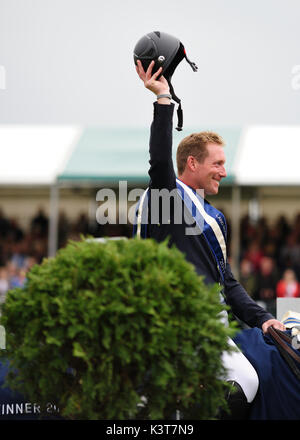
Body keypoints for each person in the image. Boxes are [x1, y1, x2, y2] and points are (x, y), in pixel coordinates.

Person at [135, 60, 285, 419]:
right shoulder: (167, 198)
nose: (224, 170)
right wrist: (163, 99)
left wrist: (261, 318)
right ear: (192, 163)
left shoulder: (211, 214)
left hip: (211, 326)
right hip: (173, 324)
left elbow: (228, 282)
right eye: (217, 163)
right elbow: (158, 162)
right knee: (238, 385)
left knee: (246, 384)